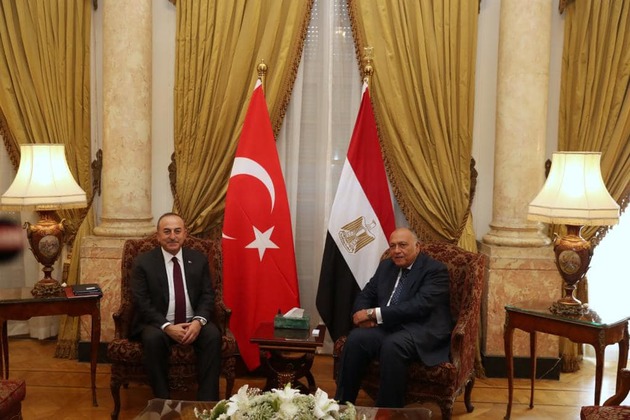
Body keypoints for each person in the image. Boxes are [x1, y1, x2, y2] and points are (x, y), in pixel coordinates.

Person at [334, 227, 453, 408]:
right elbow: (367, 294)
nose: (397, 251)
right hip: (388, 326)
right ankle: (342, 405)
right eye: (392, 246)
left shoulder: (435, 270)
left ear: (417, 247)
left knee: (393, 345)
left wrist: (373, 314)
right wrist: (361, 315)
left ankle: (387, 412)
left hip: (419, 328)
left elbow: (418, 306)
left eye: (402, 245)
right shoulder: (386, 266)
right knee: (356, 338)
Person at [130, 212, 221, 401]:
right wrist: (167, 326)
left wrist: (198, 322)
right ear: (158, 236)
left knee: (212, 335)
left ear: (185, 234)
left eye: (177, 231)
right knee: (152, 338)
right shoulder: (143, 262)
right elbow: (141, 301)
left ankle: (207, 403)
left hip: (192, 322)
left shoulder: (198, 259)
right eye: (167, 231)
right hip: (158, 324)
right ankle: (163, 401)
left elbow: (207, 295)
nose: (172, 236)